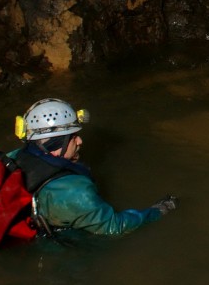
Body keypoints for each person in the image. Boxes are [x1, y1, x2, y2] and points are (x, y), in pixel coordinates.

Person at [9, 97, 178, 237]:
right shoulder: (75, 192)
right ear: (57, 144)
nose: (80, 141)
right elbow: (114, 227)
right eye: (73, 137)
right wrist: (158, 211)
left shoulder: (14, 157)